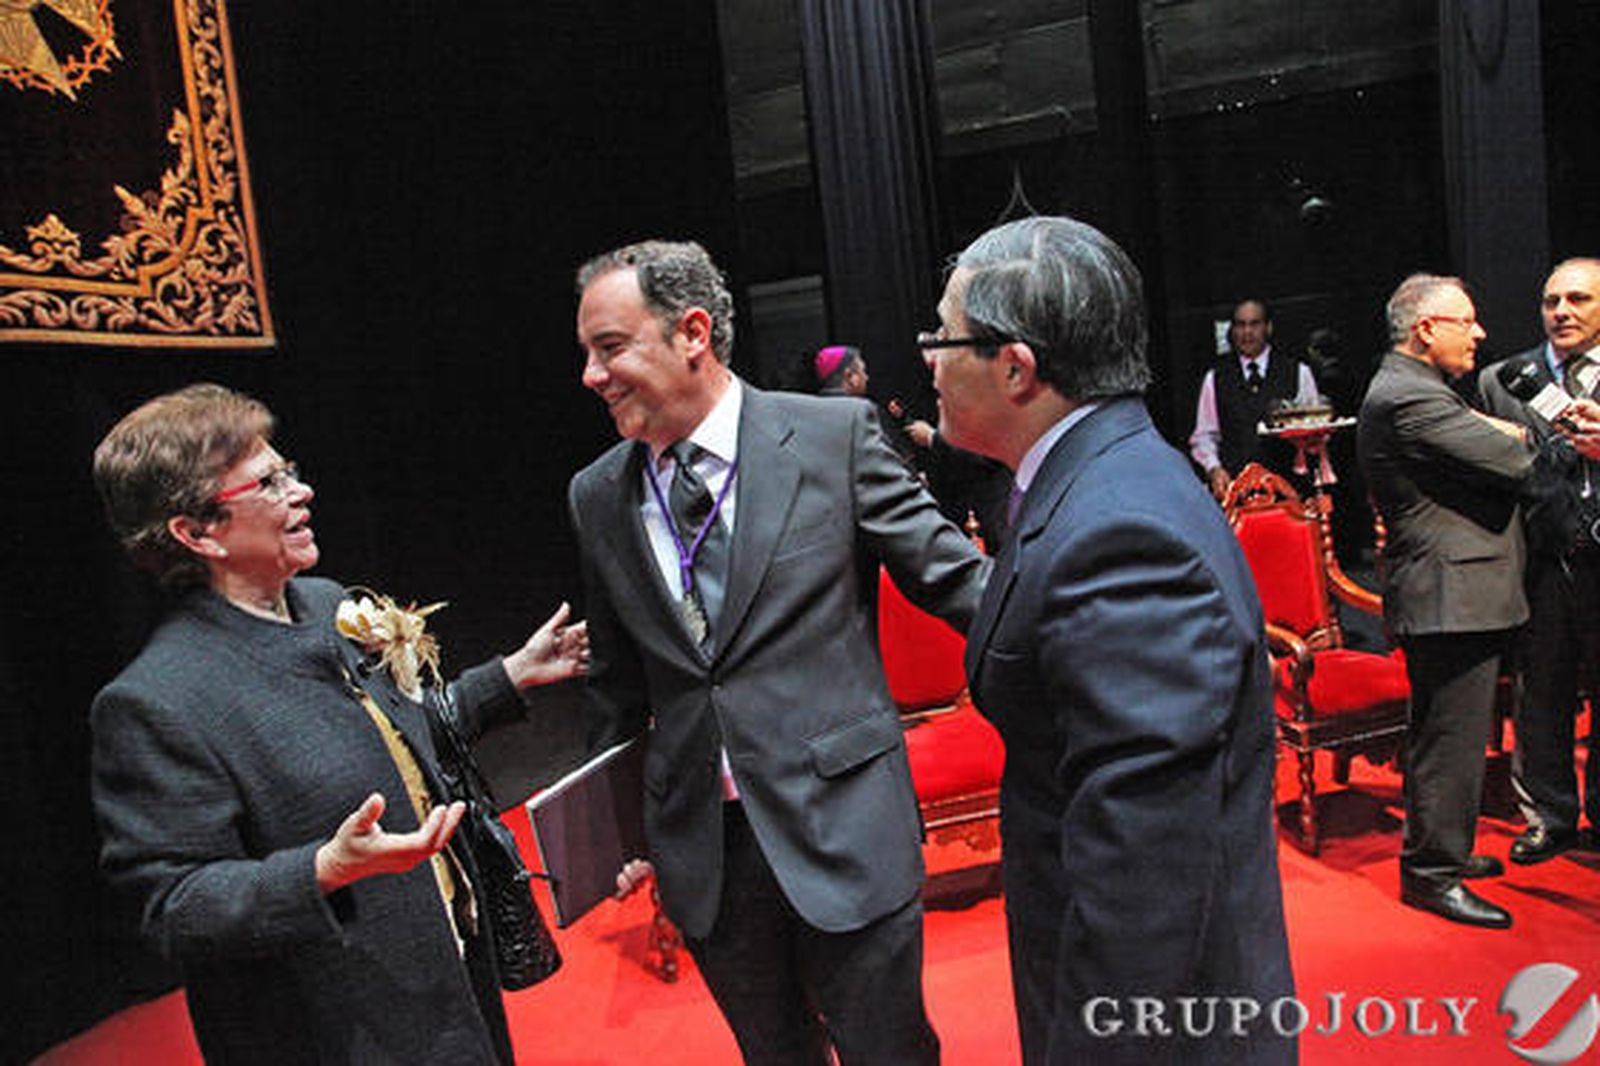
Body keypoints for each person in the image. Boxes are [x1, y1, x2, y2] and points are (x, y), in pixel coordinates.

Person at [569, 239, 987, 1065]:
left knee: (889, 1052)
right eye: (586, 353)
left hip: (846, 826)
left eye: (610, 348)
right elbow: (615, 689)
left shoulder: (834, 437)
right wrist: (613, 835)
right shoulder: (595, 495)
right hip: (708, 853)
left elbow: (960, 584)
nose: (591, 374)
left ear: (692, 333)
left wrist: (1090, 646)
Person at [89, 383, 589, 1065]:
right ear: (197, 532)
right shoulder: (157, 701)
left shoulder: (324, 605)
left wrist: (511, 677)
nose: (302, 492)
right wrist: (321, 870)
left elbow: (395, 743)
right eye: (268, 483)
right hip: (337, 1025)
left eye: (288, 470)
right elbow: (173, 906)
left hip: (442, 975)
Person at [921, 216, 1294, 1065]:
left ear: (1016, 367)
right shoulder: (1093, 476)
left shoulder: (1119, 530)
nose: (928, 359)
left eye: (941, 336)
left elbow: (1144, 883)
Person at [1358, 274, 1535, 930]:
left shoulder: (1418, 390)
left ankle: (1441, 852)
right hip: (1449, 594)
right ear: (1427, 329)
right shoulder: (1411, 397)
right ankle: (1433, 872)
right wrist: (1516, 435)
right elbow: (1520, 461)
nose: (1480, 333)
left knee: (1443, 732)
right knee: (1450, 738)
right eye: (1468, 321)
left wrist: (1495, 430)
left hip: (1456, 591)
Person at [1478, 257, 1600, 865]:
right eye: (1552, 301)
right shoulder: (1503, 380)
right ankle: (1549, 818)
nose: (1562, 312)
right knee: (1541, 694)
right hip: (1542, 563)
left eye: (1578, 300)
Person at [1189, 298, 1322, 500]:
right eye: (1240, 325)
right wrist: (1214, 468)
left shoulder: (1298, 372)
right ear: (1232, 330)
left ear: (1268, 327)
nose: (1247, 332)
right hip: (1237, 494)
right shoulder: (1215, 378)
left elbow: (1314, 431)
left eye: (1254, 324)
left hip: (1290, 491)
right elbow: (1204, 436)